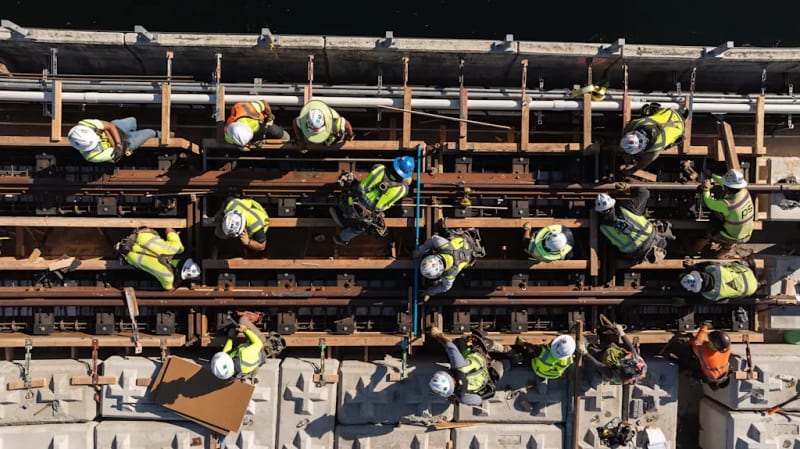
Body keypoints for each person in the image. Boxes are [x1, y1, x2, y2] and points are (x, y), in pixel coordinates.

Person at [330, 156, 415, 245]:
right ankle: (340, 238)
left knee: (347, 194)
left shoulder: (380, 168)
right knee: (360, 228)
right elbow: (406, 185)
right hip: (368, 213)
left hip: (352, 199)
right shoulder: (403, 190)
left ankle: (339, 209)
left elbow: (374, 169)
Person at [428, 326, 509, 406]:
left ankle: (513, 359)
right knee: (464, 341)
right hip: (481, 355)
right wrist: (437, 335)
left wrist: (456, 398)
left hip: (491, 375)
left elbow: (478, 400)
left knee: (505, 364)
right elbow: (450, 346)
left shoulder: (462, 398)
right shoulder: (458, 365)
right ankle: (506, 350)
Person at [596, 183, 674, 264]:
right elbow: (643, 192)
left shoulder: (604, 228)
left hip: (627, 213)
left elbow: (644, 191)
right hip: (632, 253)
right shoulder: (604, 227)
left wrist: (629, 188)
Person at [114, 227, 200, 290]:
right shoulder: (168, 277)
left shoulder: (178, 247)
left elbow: (168, 229)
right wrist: (178, 282)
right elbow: (170, 289)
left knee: (154, 236)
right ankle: (119, 248)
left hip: (138, 235)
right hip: (127, 255)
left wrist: (174, 234)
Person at [415, 228, 486, 300]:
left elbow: (446, 288)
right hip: (467, 243)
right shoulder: (446, 248)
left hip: (469, 248)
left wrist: (429, 292)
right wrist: (420, 251)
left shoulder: (450, 274)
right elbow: (433, 239)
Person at [619, 103, 685, 175]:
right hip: (670, 113)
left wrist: (631, 170)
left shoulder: (656, 147)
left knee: (667, 145)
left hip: (680, 126)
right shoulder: (640, 123)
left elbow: (643, 163)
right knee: (647, 114)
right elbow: (627, 128)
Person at [700, 169, 754, 257]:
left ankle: (703, 250)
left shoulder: (728, 205)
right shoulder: (744, 192)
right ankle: (726, 248)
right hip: (747, 234)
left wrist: (706, 190)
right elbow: (725, 184)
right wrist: (712, 175)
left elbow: (710, 203)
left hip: (731, 236)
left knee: (707, 231)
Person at [582, 315, 647, 385]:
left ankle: (592, 350)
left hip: (604, 365)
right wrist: (621, 333)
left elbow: (599, 365)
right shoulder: (639, 363)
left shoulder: (617, 377)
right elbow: (631, 347)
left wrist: (584, 352)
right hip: (617, 356)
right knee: (611, 346)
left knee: (593, 353)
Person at [664, 325, 732, 389]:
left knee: (687, 359)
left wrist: (704, 327)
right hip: (716, 372)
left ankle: (669, 354)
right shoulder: (726, 347)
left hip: (707, 374)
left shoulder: (705, 353)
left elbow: (697, 341)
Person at [67, 117, 159, 163]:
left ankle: (133, 132)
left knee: (132, 120)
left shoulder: (84, 124)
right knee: (149, 132)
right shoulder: (91, 156)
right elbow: (116, 151)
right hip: (126, 145)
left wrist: (117, 143)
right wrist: (107, 131)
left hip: (117, 131)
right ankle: (159, 134)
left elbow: (109, 126)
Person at [211, 315, 268, 381]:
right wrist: (246, 330)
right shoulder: (245, 354)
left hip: (248, 363)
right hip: (260, 348)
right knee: (242, 320)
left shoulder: (230, 372)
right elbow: (258, 343)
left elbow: (226, 352)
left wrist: (231, 337)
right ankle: (256, 316)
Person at [680, 260, 758, 301]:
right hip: (747, 273)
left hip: (750, 290)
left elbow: (724, 299)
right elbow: (711, 263)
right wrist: (693, 266)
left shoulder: (710, 295)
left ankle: (759, 283)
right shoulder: (712, 269)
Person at [224, 99, 290, 148]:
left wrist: (270, 118)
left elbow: (264, 103)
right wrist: (242, 146)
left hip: (261, 126)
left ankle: (286, 137)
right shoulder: (228, 135)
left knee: (283, 136)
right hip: (255, 131)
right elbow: (232, 142)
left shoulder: (247, 109)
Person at [511, 334, 576, 380]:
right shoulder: (569, 359)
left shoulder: (544, 354)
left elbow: (532, 347)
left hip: (539, 371)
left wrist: (522, 343)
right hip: (555, 375)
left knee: (527, 354)